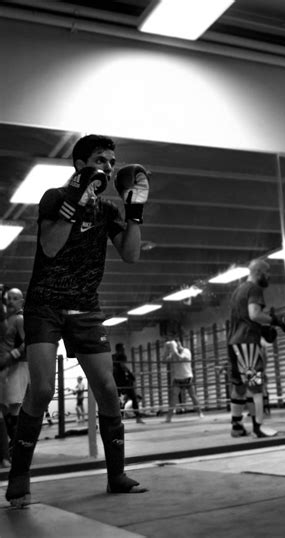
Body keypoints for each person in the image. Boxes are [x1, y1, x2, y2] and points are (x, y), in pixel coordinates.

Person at [6, 134, 150, 507]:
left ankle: (116, 475)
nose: (108, 166)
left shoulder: (108, 211)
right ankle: (19, 476)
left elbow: (131, 254)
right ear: (80, 164)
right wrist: (75, 199)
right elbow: (51, 246)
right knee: (41, 390)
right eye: (101, 159)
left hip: (85, 307)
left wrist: (134, 211)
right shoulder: (54, 197)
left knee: (107, 388)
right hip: (45, 306)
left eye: (112, 161)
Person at [227, 259, 285, 438]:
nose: (268, 276)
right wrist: (274, 321)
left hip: (234, 343)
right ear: (259, 272)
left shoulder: (238, 290)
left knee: (239, 385)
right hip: (247, 342)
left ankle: (237, 426)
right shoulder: (254, 289)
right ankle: (258, 426)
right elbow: (254, 315)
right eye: (267, 273)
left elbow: (246, 316)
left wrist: (264, 326)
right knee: (256, 386)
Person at [0, 288, 28, 454]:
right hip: (6, 367)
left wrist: (12, 355)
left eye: (15, 298)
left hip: (17, 367)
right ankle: (14, 447)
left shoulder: (19, 319)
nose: (10, 301)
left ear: (21, 301)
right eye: (8, 298)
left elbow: (28, 343)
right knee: (6, 409)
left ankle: (18, 448)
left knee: (12, 408)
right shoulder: (5, 320)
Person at [162, 339, 204, 422]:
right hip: (177, 379)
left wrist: (173, 349)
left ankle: (200, 413)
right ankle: (169, 418)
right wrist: (166, 350)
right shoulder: (173, 354)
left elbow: (180, 359)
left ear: (180, 344)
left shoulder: (186, 351)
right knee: (173, 398)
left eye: (176, 345)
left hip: (187, 377)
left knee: (193, 396)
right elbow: (164, 361)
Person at [112, 343, 145, 424]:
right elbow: (123, 366)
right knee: (133, 398)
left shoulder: (112, 357)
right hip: (123, 382)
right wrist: (131, 374)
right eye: (123, 348)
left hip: (117, 381)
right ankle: (137, 418)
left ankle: (120, 419)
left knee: (119, 400)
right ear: (119, 349)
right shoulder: (121, 356)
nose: (124, 350)